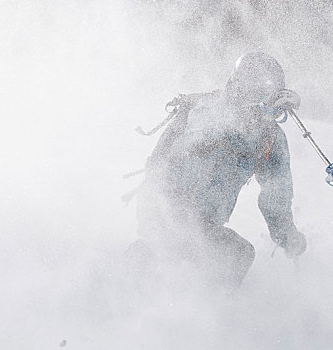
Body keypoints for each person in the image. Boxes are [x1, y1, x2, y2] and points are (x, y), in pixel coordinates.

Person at [128, 52, 306, 288]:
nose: (256, 98)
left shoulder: (269, 138)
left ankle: (210, 311)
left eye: (265, 92)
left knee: (236, 254)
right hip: (163, 206)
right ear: (236, 83)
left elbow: (276, 192)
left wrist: (285, 232)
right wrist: (257, 118)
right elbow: (211, 137)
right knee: (165, 252)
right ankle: (124, 283)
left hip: (204, 223)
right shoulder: (207, 108)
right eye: (251, 88)